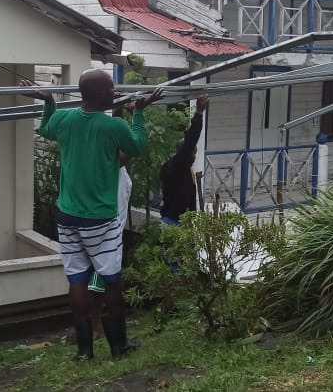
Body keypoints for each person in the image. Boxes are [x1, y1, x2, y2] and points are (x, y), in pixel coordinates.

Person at [23, 72, 164, 359]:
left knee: (77, 278)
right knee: (111, 280)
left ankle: (85, 350)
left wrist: (48, 101)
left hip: (67, 215)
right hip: (100, 218)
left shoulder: (65, 119)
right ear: (98, 94)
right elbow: (137, 145)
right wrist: (138, 113)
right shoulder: (112, 126)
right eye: (110, 88)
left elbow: (46, 129)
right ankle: (118, 346)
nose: (114, 91)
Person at [85, 148, 132, 339]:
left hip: (112, 229)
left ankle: (97, 326)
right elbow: (127, 150)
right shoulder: (109, 165)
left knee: (100, 281)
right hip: (105, 230)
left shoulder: (118, 170)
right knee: (101, 282)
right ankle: (97, 327)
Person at [159, 94, 209, 225]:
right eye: (193, 154)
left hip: (174, 219)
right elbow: (190, 142)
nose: (195, 157)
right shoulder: (178, 166)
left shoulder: (172, 166)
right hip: (174, 221)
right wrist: (199, 113)